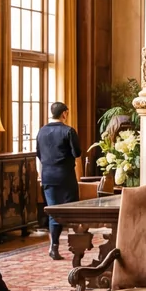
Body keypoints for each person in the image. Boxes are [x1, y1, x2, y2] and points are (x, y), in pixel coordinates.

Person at [37, 101, 81, 261]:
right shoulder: (68, 131)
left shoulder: (41, 131)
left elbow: (39, 155)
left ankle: (54, 246)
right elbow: (77, 153)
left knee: (54, 213)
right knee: (75, 210)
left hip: (48, 176)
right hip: (65, 176)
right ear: (64, 114)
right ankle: (78, 245)